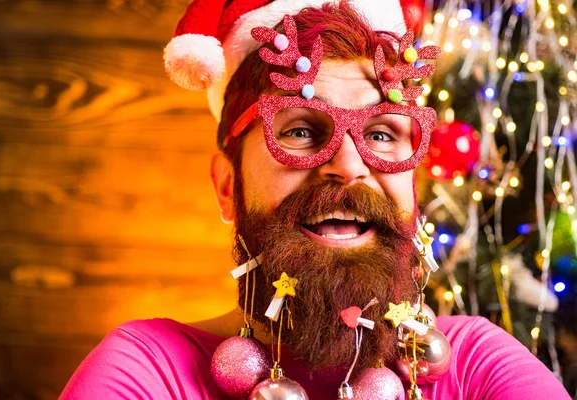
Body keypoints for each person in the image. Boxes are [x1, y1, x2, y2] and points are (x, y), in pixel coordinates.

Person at [60, 0, 571, 398]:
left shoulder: (478, 364)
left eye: (380, 135)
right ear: (226, 187)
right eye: (301, 131)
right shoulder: (147, 374)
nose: (349, 167)